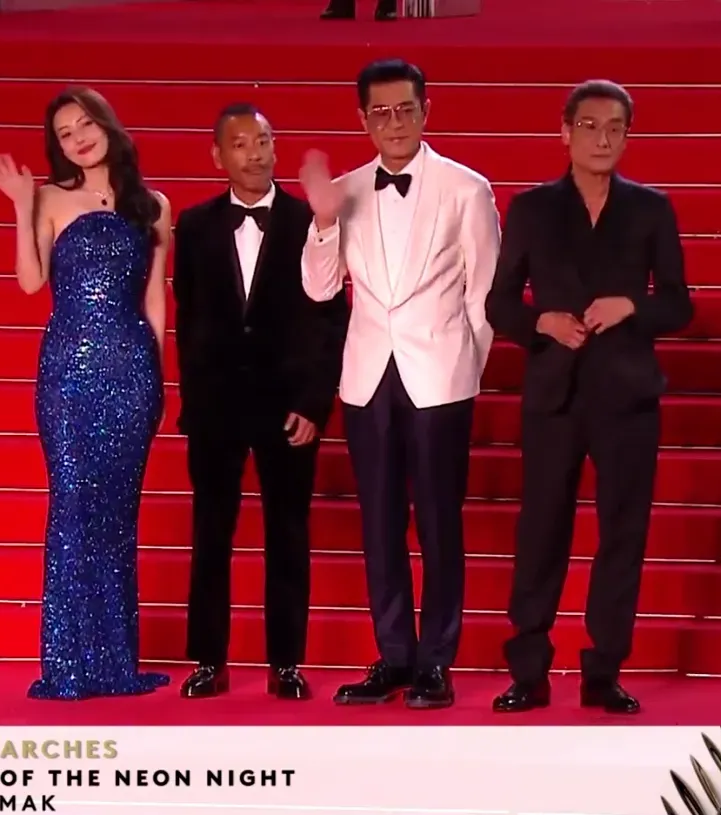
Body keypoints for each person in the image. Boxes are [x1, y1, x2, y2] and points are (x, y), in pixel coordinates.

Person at [484, 80, 694, 715]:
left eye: (614, 128)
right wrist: (541, 322)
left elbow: (678, 304)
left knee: (622, 533)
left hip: (627, 396)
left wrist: (632, 306)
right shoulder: (532, 209)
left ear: (627, 136)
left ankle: (604, 671)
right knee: (541, 531)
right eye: (589, 126)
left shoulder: (651, 209)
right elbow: (499, 303)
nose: (602, 139)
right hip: (554, 394)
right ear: (565, 132)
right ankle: (529, 671)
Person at [297, 58, 500, 710]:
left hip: (440, 376)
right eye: (380, 113)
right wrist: (323, 222)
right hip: (367, 378)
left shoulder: (466, 189)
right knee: (379, 525)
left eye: (405, 109)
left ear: (426, 110)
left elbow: (485, 294)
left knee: (439, 522)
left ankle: (436, 660)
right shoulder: (346, 190)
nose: (394, 123)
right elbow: (319, 289)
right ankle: (393, 656)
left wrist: (464, 369)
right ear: (363, 119)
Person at [0, 86, 173, 700]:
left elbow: (155, 299)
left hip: (132, 371)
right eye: (65, 134)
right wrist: (22, 207)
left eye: (85, 125)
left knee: (118, 515)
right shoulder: (48, 198)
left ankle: (114, 665)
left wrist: (157, 377)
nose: (79, 139)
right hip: (68, 373)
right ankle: (68, 666)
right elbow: (29, 282)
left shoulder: (153, 206)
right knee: (71, 508)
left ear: (108, 126)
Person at [172, 104, 348, 701]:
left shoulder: (308, 220)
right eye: (241, 143)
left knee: (288, 534)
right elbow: (189, 320)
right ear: (217, 155)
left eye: (264, 141)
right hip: (216, 408)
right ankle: (209, 661)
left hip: (288, 406)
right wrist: (194, 402)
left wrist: (314, 403)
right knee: (210, 533)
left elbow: (329, 318)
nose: (255, 153)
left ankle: (286, 663)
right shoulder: (194, 226)